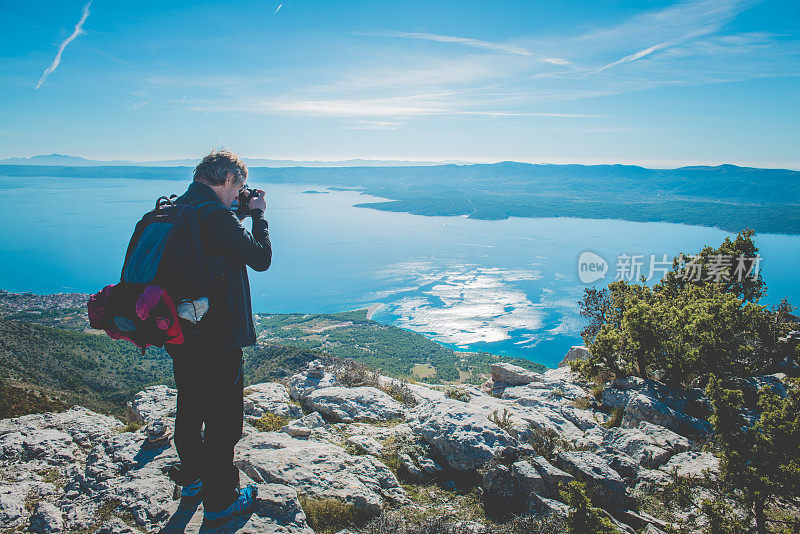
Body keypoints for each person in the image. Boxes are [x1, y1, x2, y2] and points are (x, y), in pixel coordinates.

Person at [164, 149, 271, 523]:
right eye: (237, 186)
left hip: (181, 331)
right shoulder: (214, 217)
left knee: (191, 405)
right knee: (224, 420)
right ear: (227, 180)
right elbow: (260, 258)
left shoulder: (179, 208)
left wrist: (237, 211)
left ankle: (192, 480)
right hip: (218, 336)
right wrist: (257, 214)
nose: (238, 193)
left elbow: (213, 242)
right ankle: (221, 501)